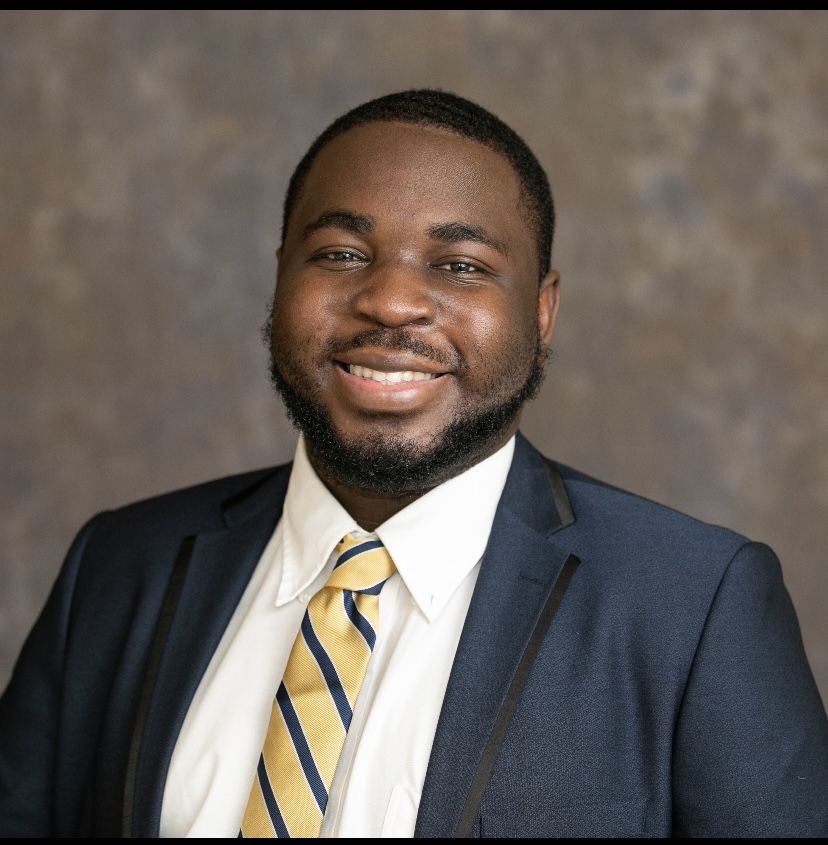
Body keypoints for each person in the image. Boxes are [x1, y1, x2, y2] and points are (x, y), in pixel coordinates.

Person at [1, 89, 826, 839]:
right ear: (279, 277)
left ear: (541, 312)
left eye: (460, 266)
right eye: (340, 253)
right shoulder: (118, 566)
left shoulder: (695, 606)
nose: (391, 302)